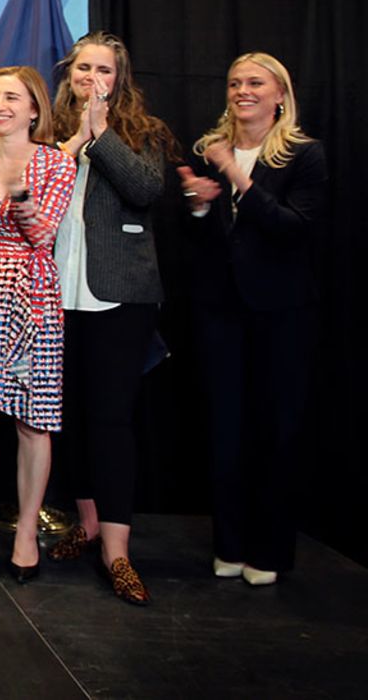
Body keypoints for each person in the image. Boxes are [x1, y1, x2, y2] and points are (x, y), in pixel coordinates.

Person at [176, 52, 327, 586]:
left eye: (255, 83)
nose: (243, 90)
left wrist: (237, 173)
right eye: (235, 81)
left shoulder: (304, 156)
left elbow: (293, 228)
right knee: (226, 430)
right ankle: (231, 544)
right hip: (221, 311)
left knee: (275, 430)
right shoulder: (207, 150)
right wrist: (196, 206)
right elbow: (198, 240)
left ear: (280, 95)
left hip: (281, 313)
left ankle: (270, 549)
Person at [45, 32, 177, 605]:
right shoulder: (45, 128)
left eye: (103, 68)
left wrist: (100, 135)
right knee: (68, 415)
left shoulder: (140, 132)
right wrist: (74, 138)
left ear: (119, 77)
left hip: (118, 294)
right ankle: (88, 523)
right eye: (82, 67)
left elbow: (146, 189)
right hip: (53, 291)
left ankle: (118, 551)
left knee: (112, 420)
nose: (91, 77)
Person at [0, 66, 75, 584]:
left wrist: (18, 194)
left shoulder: (55, 161)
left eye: (13, 97)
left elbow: (44, 234)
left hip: (33, 294)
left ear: (35, 109)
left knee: (34, 421)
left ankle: (26, 530)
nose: (0, 104)